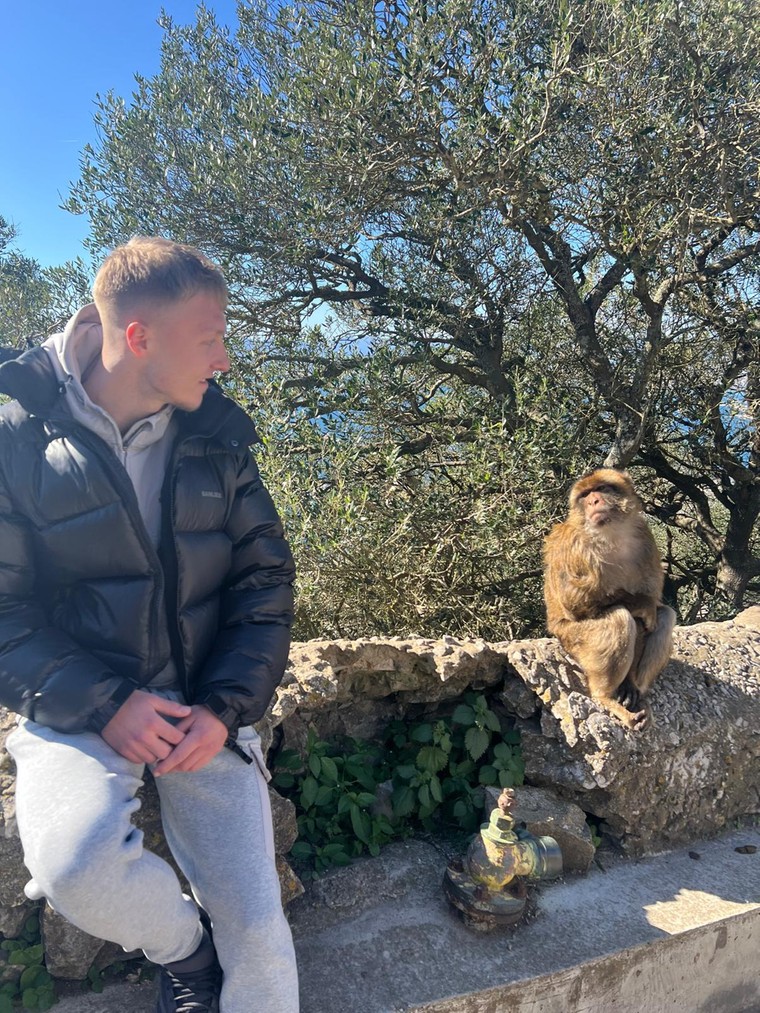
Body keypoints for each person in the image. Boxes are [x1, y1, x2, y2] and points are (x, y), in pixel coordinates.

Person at [0, 237, 299, 1013]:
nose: (224, 358)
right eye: (210, 338)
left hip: (203, 704)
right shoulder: (14, 436)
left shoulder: (216, 435)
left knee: (263, 944)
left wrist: (225, 708)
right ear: (138, 338)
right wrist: (106, 704)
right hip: (76, 702)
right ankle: (185, 954)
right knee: (74, 866)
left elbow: (263, 582)